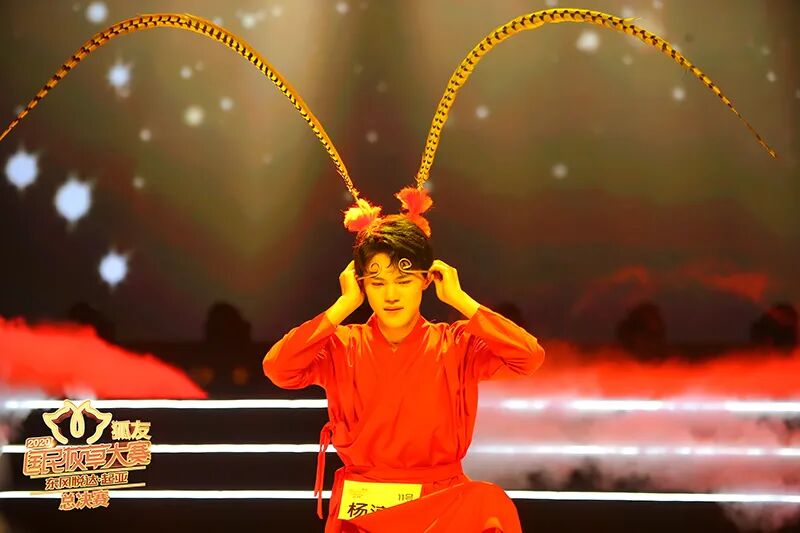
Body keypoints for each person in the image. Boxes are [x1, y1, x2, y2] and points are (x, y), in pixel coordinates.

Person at [263, 214, 546, 532]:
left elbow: (529, 357)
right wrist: (343, 305)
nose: (391, 295)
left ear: (426, 280)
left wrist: (460, 299)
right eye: (378, 283)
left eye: (403, 281)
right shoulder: (340, 345)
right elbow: (278, 368)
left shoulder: (456, 344)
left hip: (441, 500)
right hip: (367, 503)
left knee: (490, 503)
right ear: (361, 283)